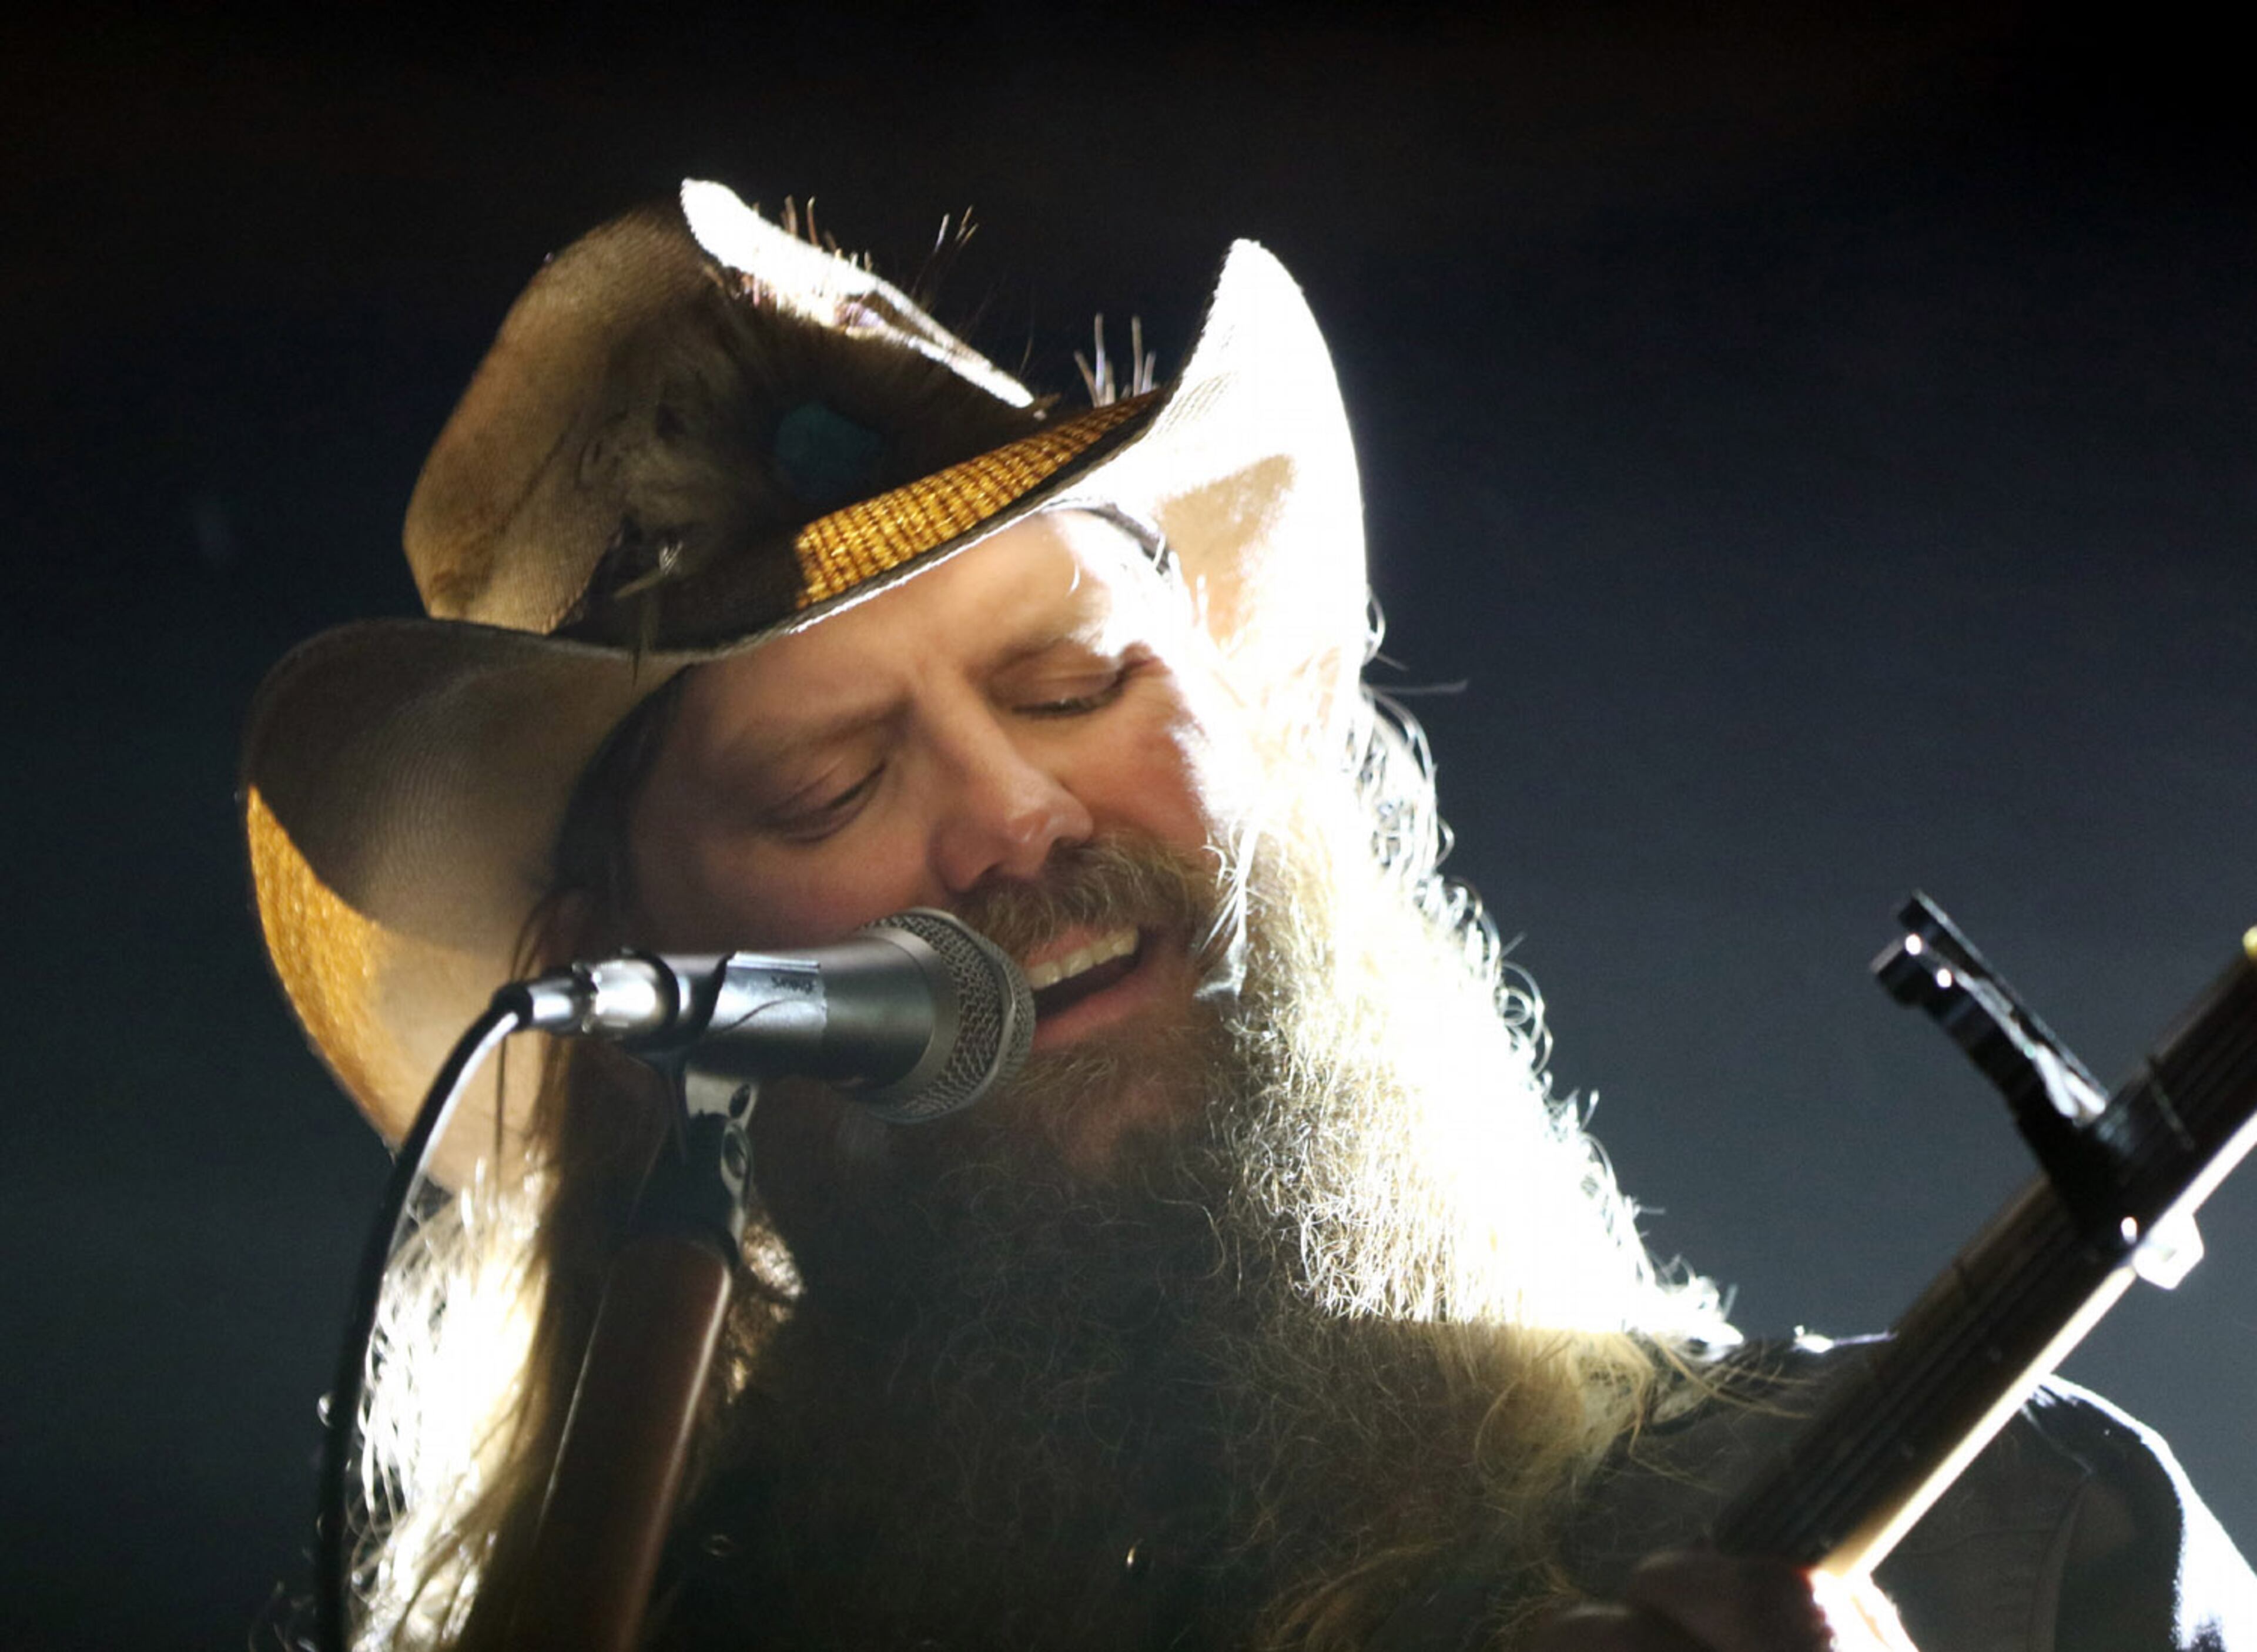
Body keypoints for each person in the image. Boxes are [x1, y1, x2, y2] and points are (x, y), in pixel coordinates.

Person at [241, 180, 2251, 1652]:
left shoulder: (2011, 1537)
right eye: (827, 784)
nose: (1019, 815)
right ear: (645, 991)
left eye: (1074, 682)